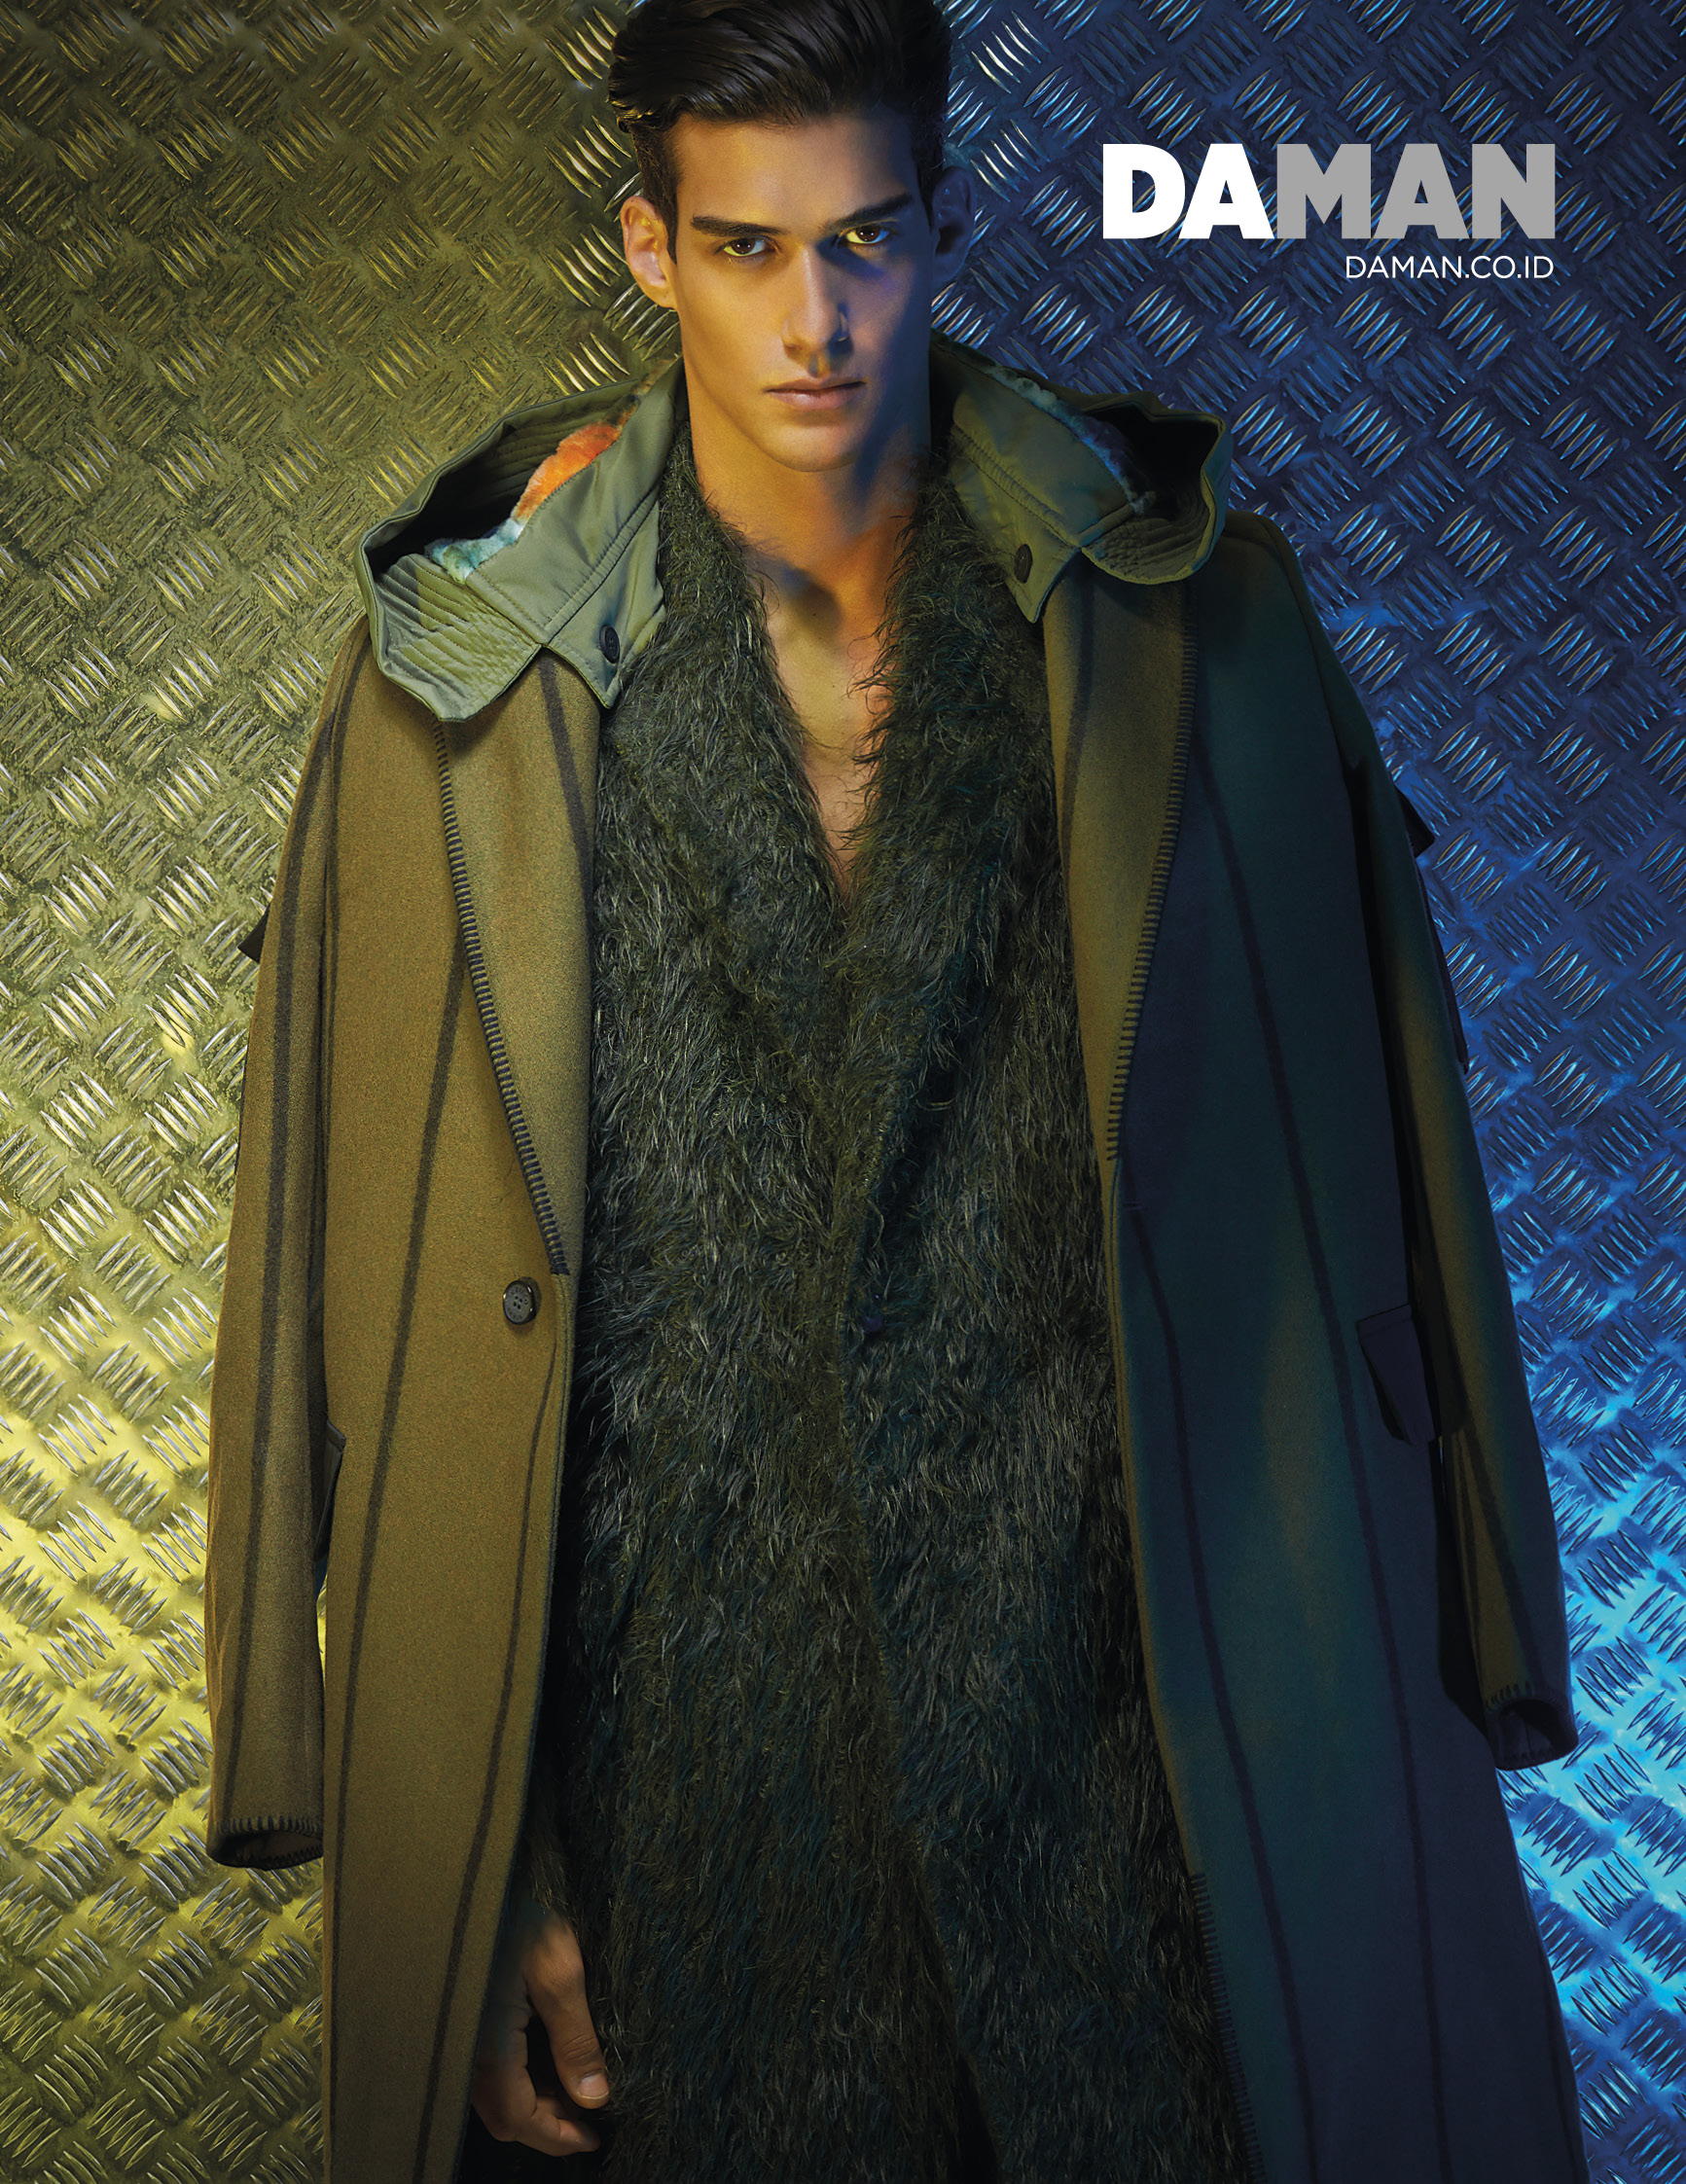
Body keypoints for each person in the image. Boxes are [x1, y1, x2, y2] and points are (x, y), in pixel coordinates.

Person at [204, 4, 1591, 2180]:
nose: (815, 320)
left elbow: (1404, 1144)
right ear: (651, 249)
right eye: (746, 247)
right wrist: (462, 1858)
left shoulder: (1196, 627)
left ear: (940, 227)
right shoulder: (451, 693)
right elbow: (319, 1255)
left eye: (861, 240)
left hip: (1144, 1775)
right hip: (681, 1825)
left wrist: (1487, 1628)